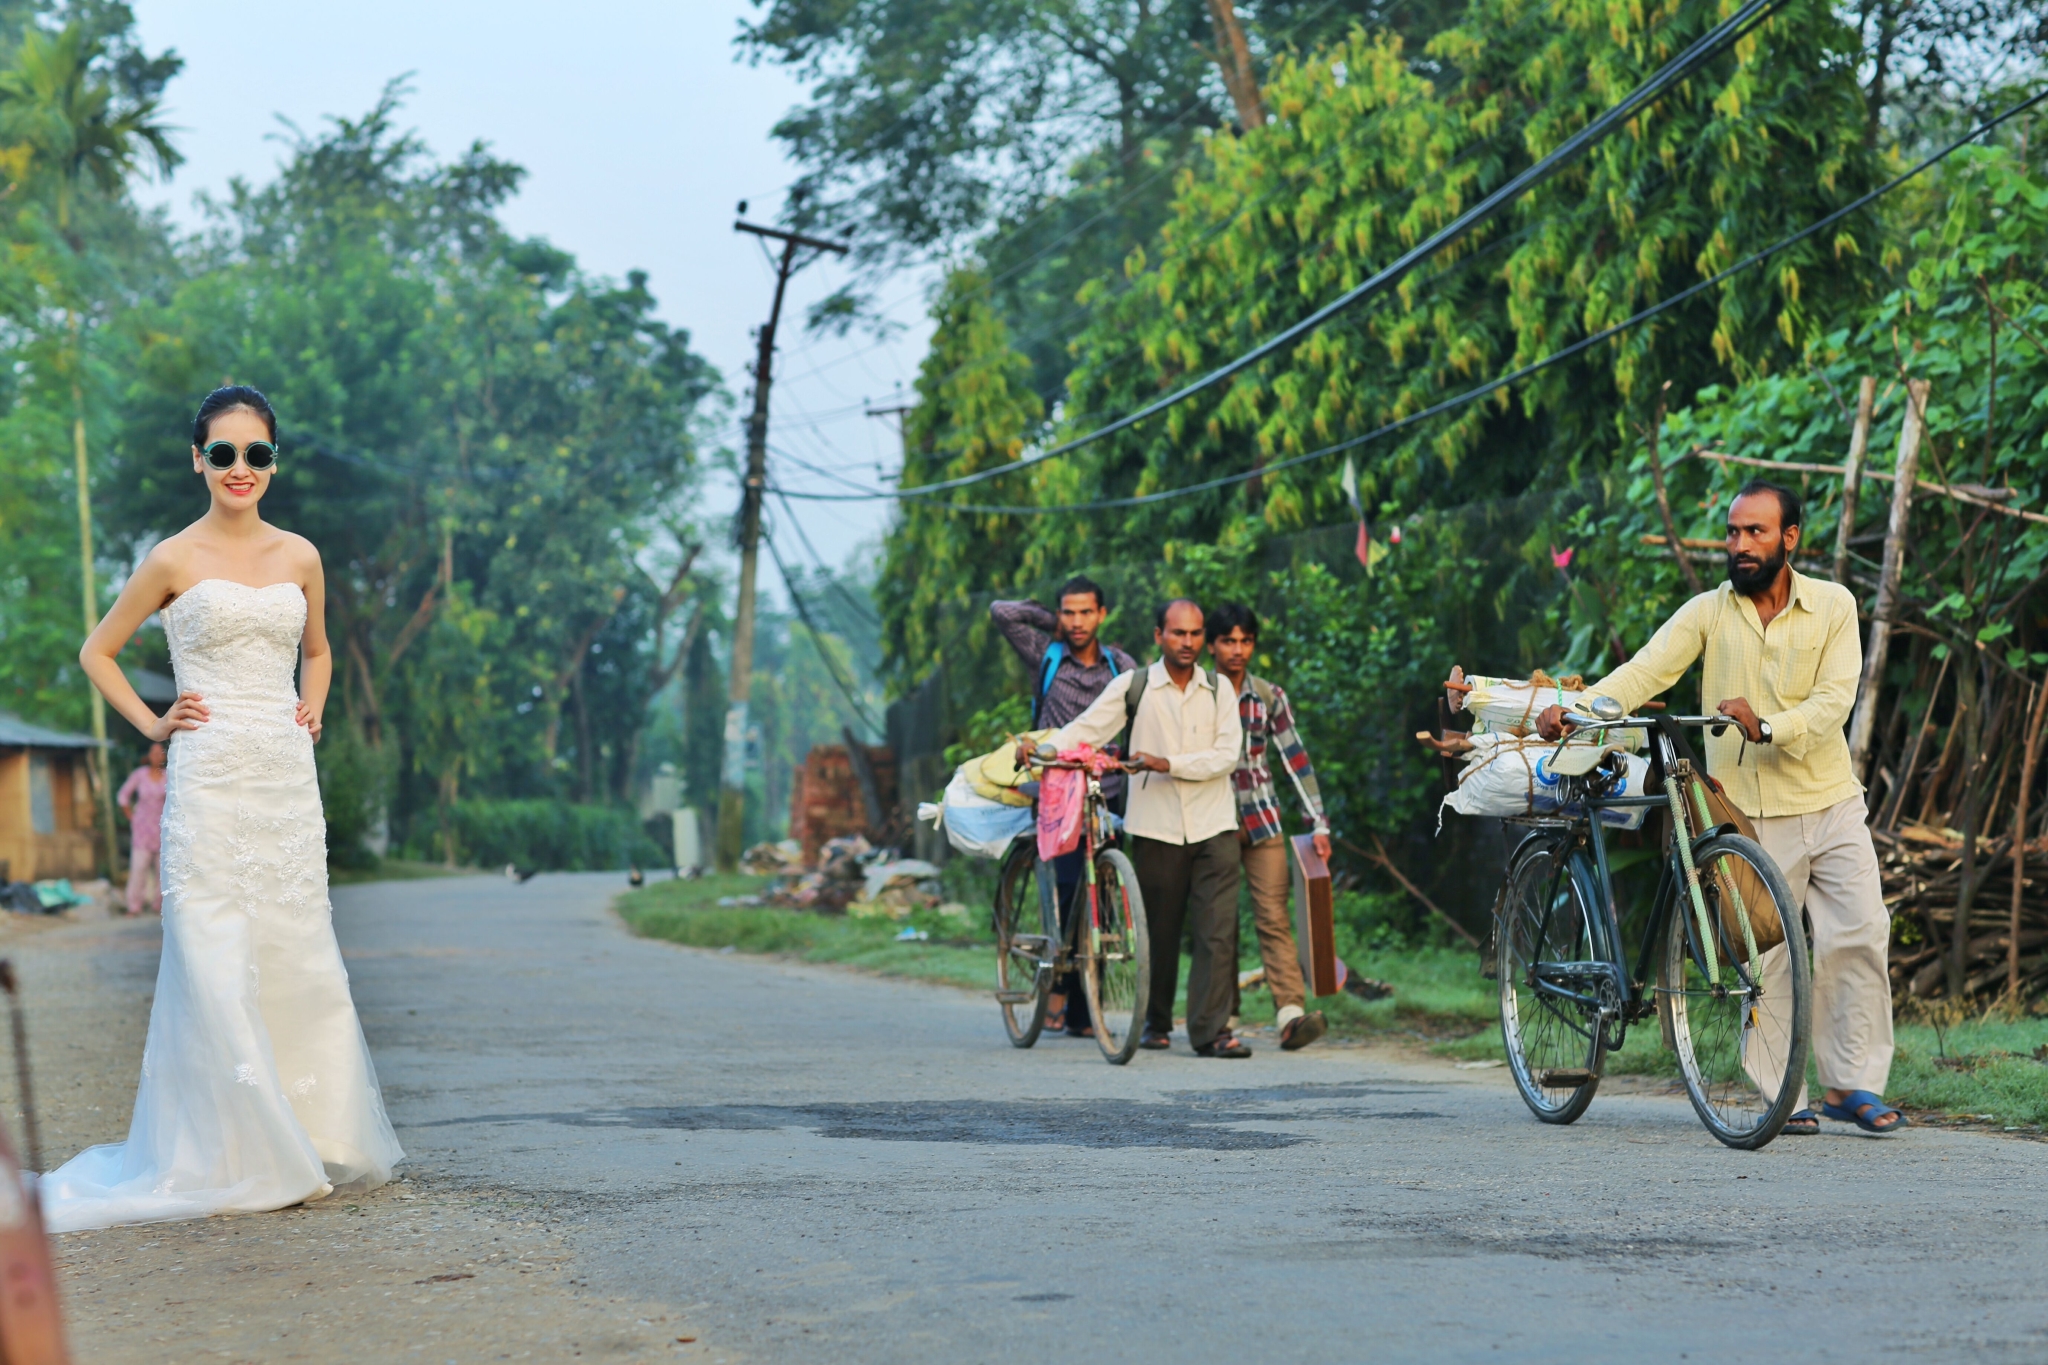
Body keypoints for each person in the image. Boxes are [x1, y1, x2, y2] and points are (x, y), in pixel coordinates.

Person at [52, 385, 405, 1233]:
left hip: (282, 774)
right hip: (208, 772)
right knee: (211, 950)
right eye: (223, 453)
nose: (240, 468)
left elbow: (314, 650)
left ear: (273, 462)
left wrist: (311, 706)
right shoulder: (173, 558)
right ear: (198, 460)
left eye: (256, 454)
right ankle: (235, 1149)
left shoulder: (302, 556)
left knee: (295, 944)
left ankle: (312, 1133)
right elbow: (96, 650)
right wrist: (155, 723)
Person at [1537, 479, 1904, 1135]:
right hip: (1750, 814)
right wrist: (1582, 709)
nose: (1739, 544)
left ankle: (1851, 1083)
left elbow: (1833, 703)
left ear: (1790, 538)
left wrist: (1766, 725)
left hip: (1831, 800)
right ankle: (1782, 1096)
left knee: (1860, 937)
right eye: (1733, 532)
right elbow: (1645, 672)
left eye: (1755, 532)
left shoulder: (1834, 606)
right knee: (1768, 954)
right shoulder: (1708, 611)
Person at [1043, 599, 1248, 1057]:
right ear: (1159, 636)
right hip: (1155, 827)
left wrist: (1165, 763)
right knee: (1159, 928)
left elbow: (1226, 757)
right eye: (1179, 633)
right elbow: (1085, 729)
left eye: (1196, 634)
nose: (1189, 642)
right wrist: (1043, 749)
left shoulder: (1220, 690)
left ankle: (1210, 1032)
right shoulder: (1134, 687)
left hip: (1214, 826)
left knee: (1217, 931)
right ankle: (1156, 1021)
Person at [991, 579, 1140, 1037]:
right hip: (1057, 791)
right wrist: (1048, 620)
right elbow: (1003, 611)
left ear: (1102, 614)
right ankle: (1067, 996)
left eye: (1085, 613)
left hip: (1108, 788)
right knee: (1071, 887)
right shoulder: (1048, 655)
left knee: (1104, 894)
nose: (1077, 622)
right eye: (1069, 613)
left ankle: (1083, 1006)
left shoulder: (1122, 665)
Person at [1207, 602, 1333, 1051]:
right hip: (1212, 819)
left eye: (1245, 641)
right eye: (1228, 641)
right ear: (1212, 645)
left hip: (1262, 820)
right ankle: (1223, 1016)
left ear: (1253, 644)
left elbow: (1296, 760)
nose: (1237, 650)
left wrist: (1319, 824)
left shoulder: (1267, 695)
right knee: (1218, 922)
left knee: (1274, 916)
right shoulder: (1198, 693)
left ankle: (1290, 1016)